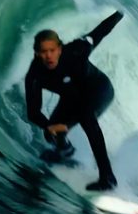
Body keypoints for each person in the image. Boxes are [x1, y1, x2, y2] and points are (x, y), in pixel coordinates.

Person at [24, 10, 124, 191]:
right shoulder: (35, 75)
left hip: (99, 90)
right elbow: (33, 111)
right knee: (50, 133)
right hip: (72, 98)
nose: (49, 56)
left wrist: (120, 13)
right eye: (43, 52)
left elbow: (99, 32)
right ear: (36, 53)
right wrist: (49, 126)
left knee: (86, 117)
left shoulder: (76, 50)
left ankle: (107, 178)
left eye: (52, 51)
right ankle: (65, 151)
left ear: (60, 49)